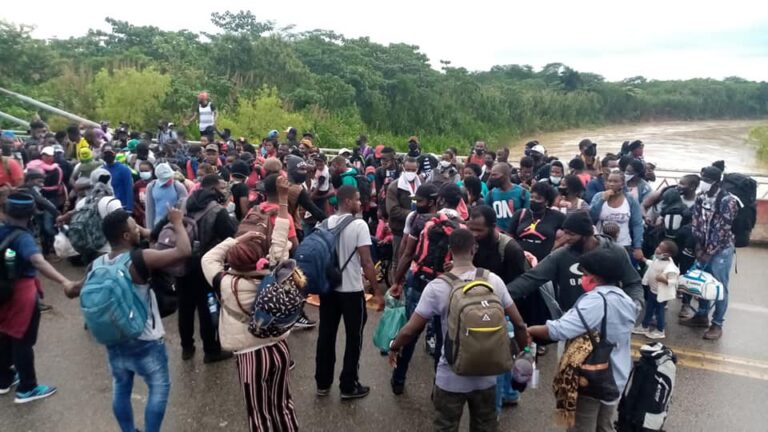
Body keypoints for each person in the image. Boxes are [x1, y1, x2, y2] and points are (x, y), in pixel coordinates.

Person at [388, 228, 529, 432]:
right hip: (487, 376)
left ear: (450, 251)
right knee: (486, 426)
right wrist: (525, 354)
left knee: (446, 426)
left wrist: (394, 346)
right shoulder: (493, 281)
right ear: (474, 249)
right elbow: (519, 324)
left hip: (450, 375)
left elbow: (411, 330)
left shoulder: (437, 287)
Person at [80, 208, 190, 432]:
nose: (138, 229)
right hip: (145, 338)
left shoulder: (96, 264)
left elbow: (76, 289)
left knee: (121, 387)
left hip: (114, 338)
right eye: (134, 227)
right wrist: (177, 222)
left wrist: (68, 286)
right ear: (126, 235)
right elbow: (183, 251)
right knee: (158, 387)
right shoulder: (140, 258)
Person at [201, 176, 298, 432]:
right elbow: (280, 236)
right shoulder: (274, 271)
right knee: (283, 405)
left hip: (250, 356)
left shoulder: (225, 283)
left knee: (259, 413)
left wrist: (236, 240)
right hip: (278, 348)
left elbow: (208, 259)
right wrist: (284, 199)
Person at [527, 248, 638, 432]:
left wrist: (529, 330)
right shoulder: (625, 299)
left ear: (596, 277)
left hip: (592, 377)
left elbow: (560, 330)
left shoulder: (596, 301)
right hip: (616, 374)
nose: (583, 279)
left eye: (585, 274)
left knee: (581, 427)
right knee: (604, 426)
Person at [0, 193, 80, 403]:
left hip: (2, 291)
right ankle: (28, 388)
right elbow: (37, 261)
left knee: (5, 333)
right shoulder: (23, 237)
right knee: (23, 340)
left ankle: (4, 378)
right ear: (30, 215)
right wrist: (65, 281)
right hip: (21, 294)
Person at [152, 175, 236, 363]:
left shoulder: (182, 204)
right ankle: (211, 350)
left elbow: (157, 231)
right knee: (208, 307)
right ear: (213, 190)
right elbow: (233, 237)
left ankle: (187, 347)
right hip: (205, 268)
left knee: (185, 306)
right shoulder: (217, 212)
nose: (224, 190)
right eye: (222, 187)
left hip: (180, 264)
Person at [508, 211, 644, 318]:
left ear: (586, 235)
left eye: (571, 234)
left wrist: (634, 305)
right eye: (565, 233)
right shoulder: (561, 255)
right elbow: (531, 279)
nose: (566, 238)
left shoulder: (615, 251)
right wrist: (502, 296)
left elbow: (633, 283)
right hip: (573, 319)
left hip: (607, 318)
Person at [315, 185, 382, 400]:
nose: (360, 203)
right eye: (357, 199)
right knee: (354, 338)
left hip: (328, 289)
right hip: (351, 290)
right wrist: (377, 292)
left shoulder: (324, 223)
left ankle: (323, 382)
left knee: (326, 335)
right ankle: (348, 385)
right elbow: (367, 262)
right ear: (347, 201)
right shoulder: (359, 225)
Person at [679, 165, 738, 340]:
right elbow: (696, 222)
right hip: (703, 247)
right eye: (702, 179)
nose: (703, 182)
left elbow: (723, 230)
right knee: (703, 282)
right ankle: (701, 316)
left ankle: (717, 324)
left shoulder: (728, 201)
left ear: (717, 183)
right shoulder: (701, 197)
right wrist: (698, 247)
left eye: (707, 180)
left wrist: (709, 252)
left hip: (721, 250)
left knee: (719, 287)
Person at [590, 171, 644, 263]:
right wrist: (602, 200)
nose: (611, 184)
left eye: (615, 181)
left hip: (623, 244)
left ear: (622, 184)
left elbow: (637, 224)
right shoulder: (598, 196)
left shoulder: (630, 199)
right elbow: (591, 217)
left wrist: (637, 247)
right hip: (600, 244)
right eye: (609, 181)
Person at [468, 205, 527, 287]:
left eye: (479, 230)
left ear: (493, 226)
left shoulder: (511, 249)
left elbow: (518, 284)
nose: (474, 234)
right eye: (471, 229)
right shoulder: (471, 242)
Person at [507, 182, 567, 263]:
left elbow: (572, 232)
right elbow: (509, 236)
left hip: (544, 262)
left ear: (546, 201)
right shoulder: (520, 214)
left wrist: (557, 243)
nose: (533, 200)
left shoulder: (556, 216)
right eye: (531, 197)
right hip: (520, 260)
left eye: (538, 198)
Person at [634, 239, 679, 340]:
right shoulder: (658, 260)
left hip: (660, 295)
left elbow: (674, 281)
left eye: (660, 248)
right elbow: (652, 264)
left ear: (667, 254)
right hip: (652, 291)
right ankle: (644, 326)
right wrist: (644, 259)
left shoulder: (670, 267)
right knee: (648, 310)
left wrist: (664, 280)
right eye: (658, 246)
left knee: (659, 313)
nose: (657, 249)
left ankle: (660, 330)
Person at [386, 157, 420, 272]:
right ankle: (396, 281)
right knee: (398, 260)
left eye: (413, 170)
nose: (411, 172)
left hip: (416, 231)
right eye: (408, 169)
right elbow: (393, 210)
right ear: (403, 168)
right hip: (399, 230)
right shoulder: (394, 187)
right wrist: (413, 215)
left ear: (417, 169)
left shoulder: (421, 185)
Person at [487, 162, 530, 232]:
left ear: (505, 175)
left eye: (494, 175)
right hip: (498, 235)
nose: (491, 178)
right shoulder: (490, 194)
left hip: (517, 234)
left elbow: (527, 217)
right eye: (491, 175)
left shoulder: (523, 193)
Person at [144, 163, 188, 229]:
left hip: (174, 226)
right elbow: (149, 210)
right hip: (158, 226)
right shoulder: (151, 187)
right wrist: (150, 229)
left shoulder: (178, 186)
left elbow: (185, 208)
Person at [102, 145, 134, 212]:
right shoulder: (101, 170)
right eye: (105, 153)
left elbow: (129, 189)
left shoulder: (124, 169)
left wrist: (129, 208)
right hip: (106, 207)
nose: (108, 156)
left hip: (121, 207)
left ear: (114, 153)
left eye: (110, 153)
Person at [132, 161, 154, 227]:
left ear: (151, 171)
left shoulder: (155, 183)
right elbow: (134, 200)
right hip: (141, 216)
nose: (144, 173)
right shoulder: (137, 185)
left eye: (146, 171)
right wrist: (141, 212)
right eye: (141, 171)